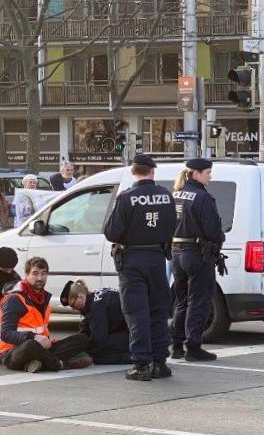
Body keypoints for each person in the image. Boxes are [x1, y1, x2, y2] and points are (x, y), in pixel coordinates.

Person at [104, 154, 178, 381]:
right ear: (152, 171)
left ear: (133, 172)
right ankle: (160, 362)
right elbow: (173, 225)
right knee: (157, 311)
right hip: (157, 258)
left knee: (137, 313)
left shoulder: (126, 198)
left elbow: (111, 232)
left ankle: (141, 364)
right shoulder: (166, 196)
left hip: (132, 259)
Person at [170, 158, 225, 362]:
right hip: (197, 253)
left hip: (177, 252)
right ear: (196, 174)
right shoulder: (202, 197)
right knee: (198, 302)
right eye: (207, 172)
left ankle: (177, 346)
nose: (210, 176)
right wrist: (220, 239)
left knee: (182, 301)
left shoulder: (175, 194)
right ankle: (193, 347)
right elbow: (212, 230)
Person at [0, 257, 93, 373]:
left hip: (42, 348)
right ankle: (60, 364)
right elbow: (6, 334)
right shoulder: (14, 299)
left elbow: (42, 330)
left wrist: (46, 342)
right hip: (13, 351)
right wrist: (33, 337)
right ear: (27, 275)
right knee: (31, 346)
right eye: (35, 274)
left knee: (81, 339)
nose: (40, 278)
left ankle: (38, 363)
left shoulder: (44, 299)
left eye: (43, 274)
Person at [62, 279, 131, 364]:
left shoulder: (96, 307)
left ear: (80, 296)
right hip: (133, 331)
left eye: (73, 304)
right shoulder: (94, 298)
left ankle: (130, 358)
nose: (73, 308)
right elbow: (86, 329)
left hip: (135, 336)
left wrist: (84, 350)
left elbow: (99, 340)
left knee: (98, 356)